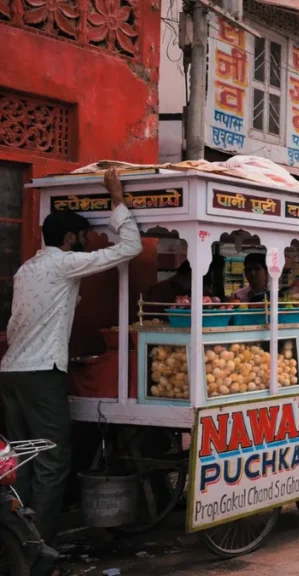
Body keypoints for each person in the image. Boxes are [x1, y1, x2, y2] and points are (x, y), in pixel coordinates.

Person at [0, 169, 142, 557]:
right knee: (51, 460)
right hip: (41, 374)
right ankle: (39, 550)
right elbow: (128, 249)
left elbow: (24, 321)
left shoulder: (28, 268)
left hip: (12, 373)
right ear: (68, 240)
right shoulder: (63, 264)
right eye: (83, 238)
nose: (86, 244)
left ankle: (15, 545)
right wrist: (117, 200)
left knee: (20, 461)